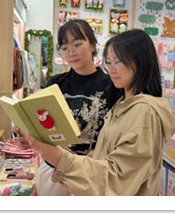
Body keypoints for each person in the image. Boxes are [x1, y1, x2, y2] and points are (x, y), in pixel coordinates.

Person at [22, 29, 175, 196]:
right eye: (109, 62)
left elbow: (118, 180)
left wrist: (61, 159)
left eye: (118, 62)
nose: (111, 69)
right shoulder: (125, 103)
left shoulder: (143, 111)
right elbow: (103, 155)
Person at [35, 19, 123, 195]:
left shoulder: (112, 86)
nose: (71, 52)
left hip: (92, 172)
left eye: (77, 44)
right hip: (54, 171)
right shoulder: (55, 84)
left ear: (92, 44)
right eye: (64, 47)